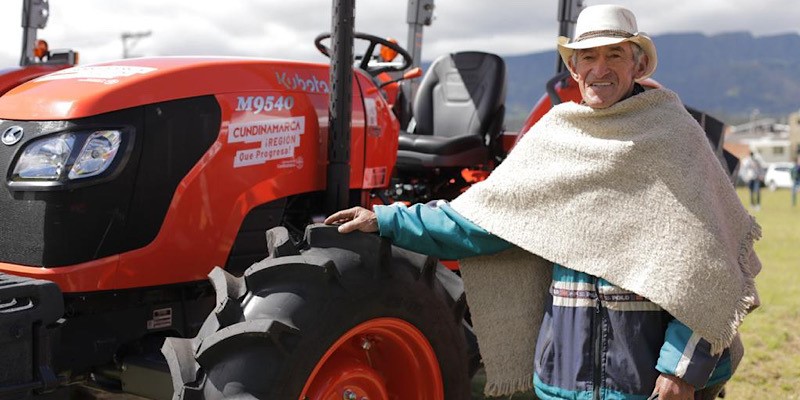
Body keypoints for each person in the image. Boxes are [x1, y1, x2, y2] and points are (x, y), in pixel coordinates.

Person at [326, 5, 761, 400]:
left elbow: (711, 268)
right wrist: (385, 218)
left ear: (638, 63)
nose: (600, 68)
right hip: (562, 378)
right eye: (588, 57)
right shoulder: (556, 137)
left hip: (643, 379)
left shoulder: (675, 138)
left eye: (614, 55)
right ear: (574, 68)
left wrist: (680, 371)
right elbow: (481, 224)